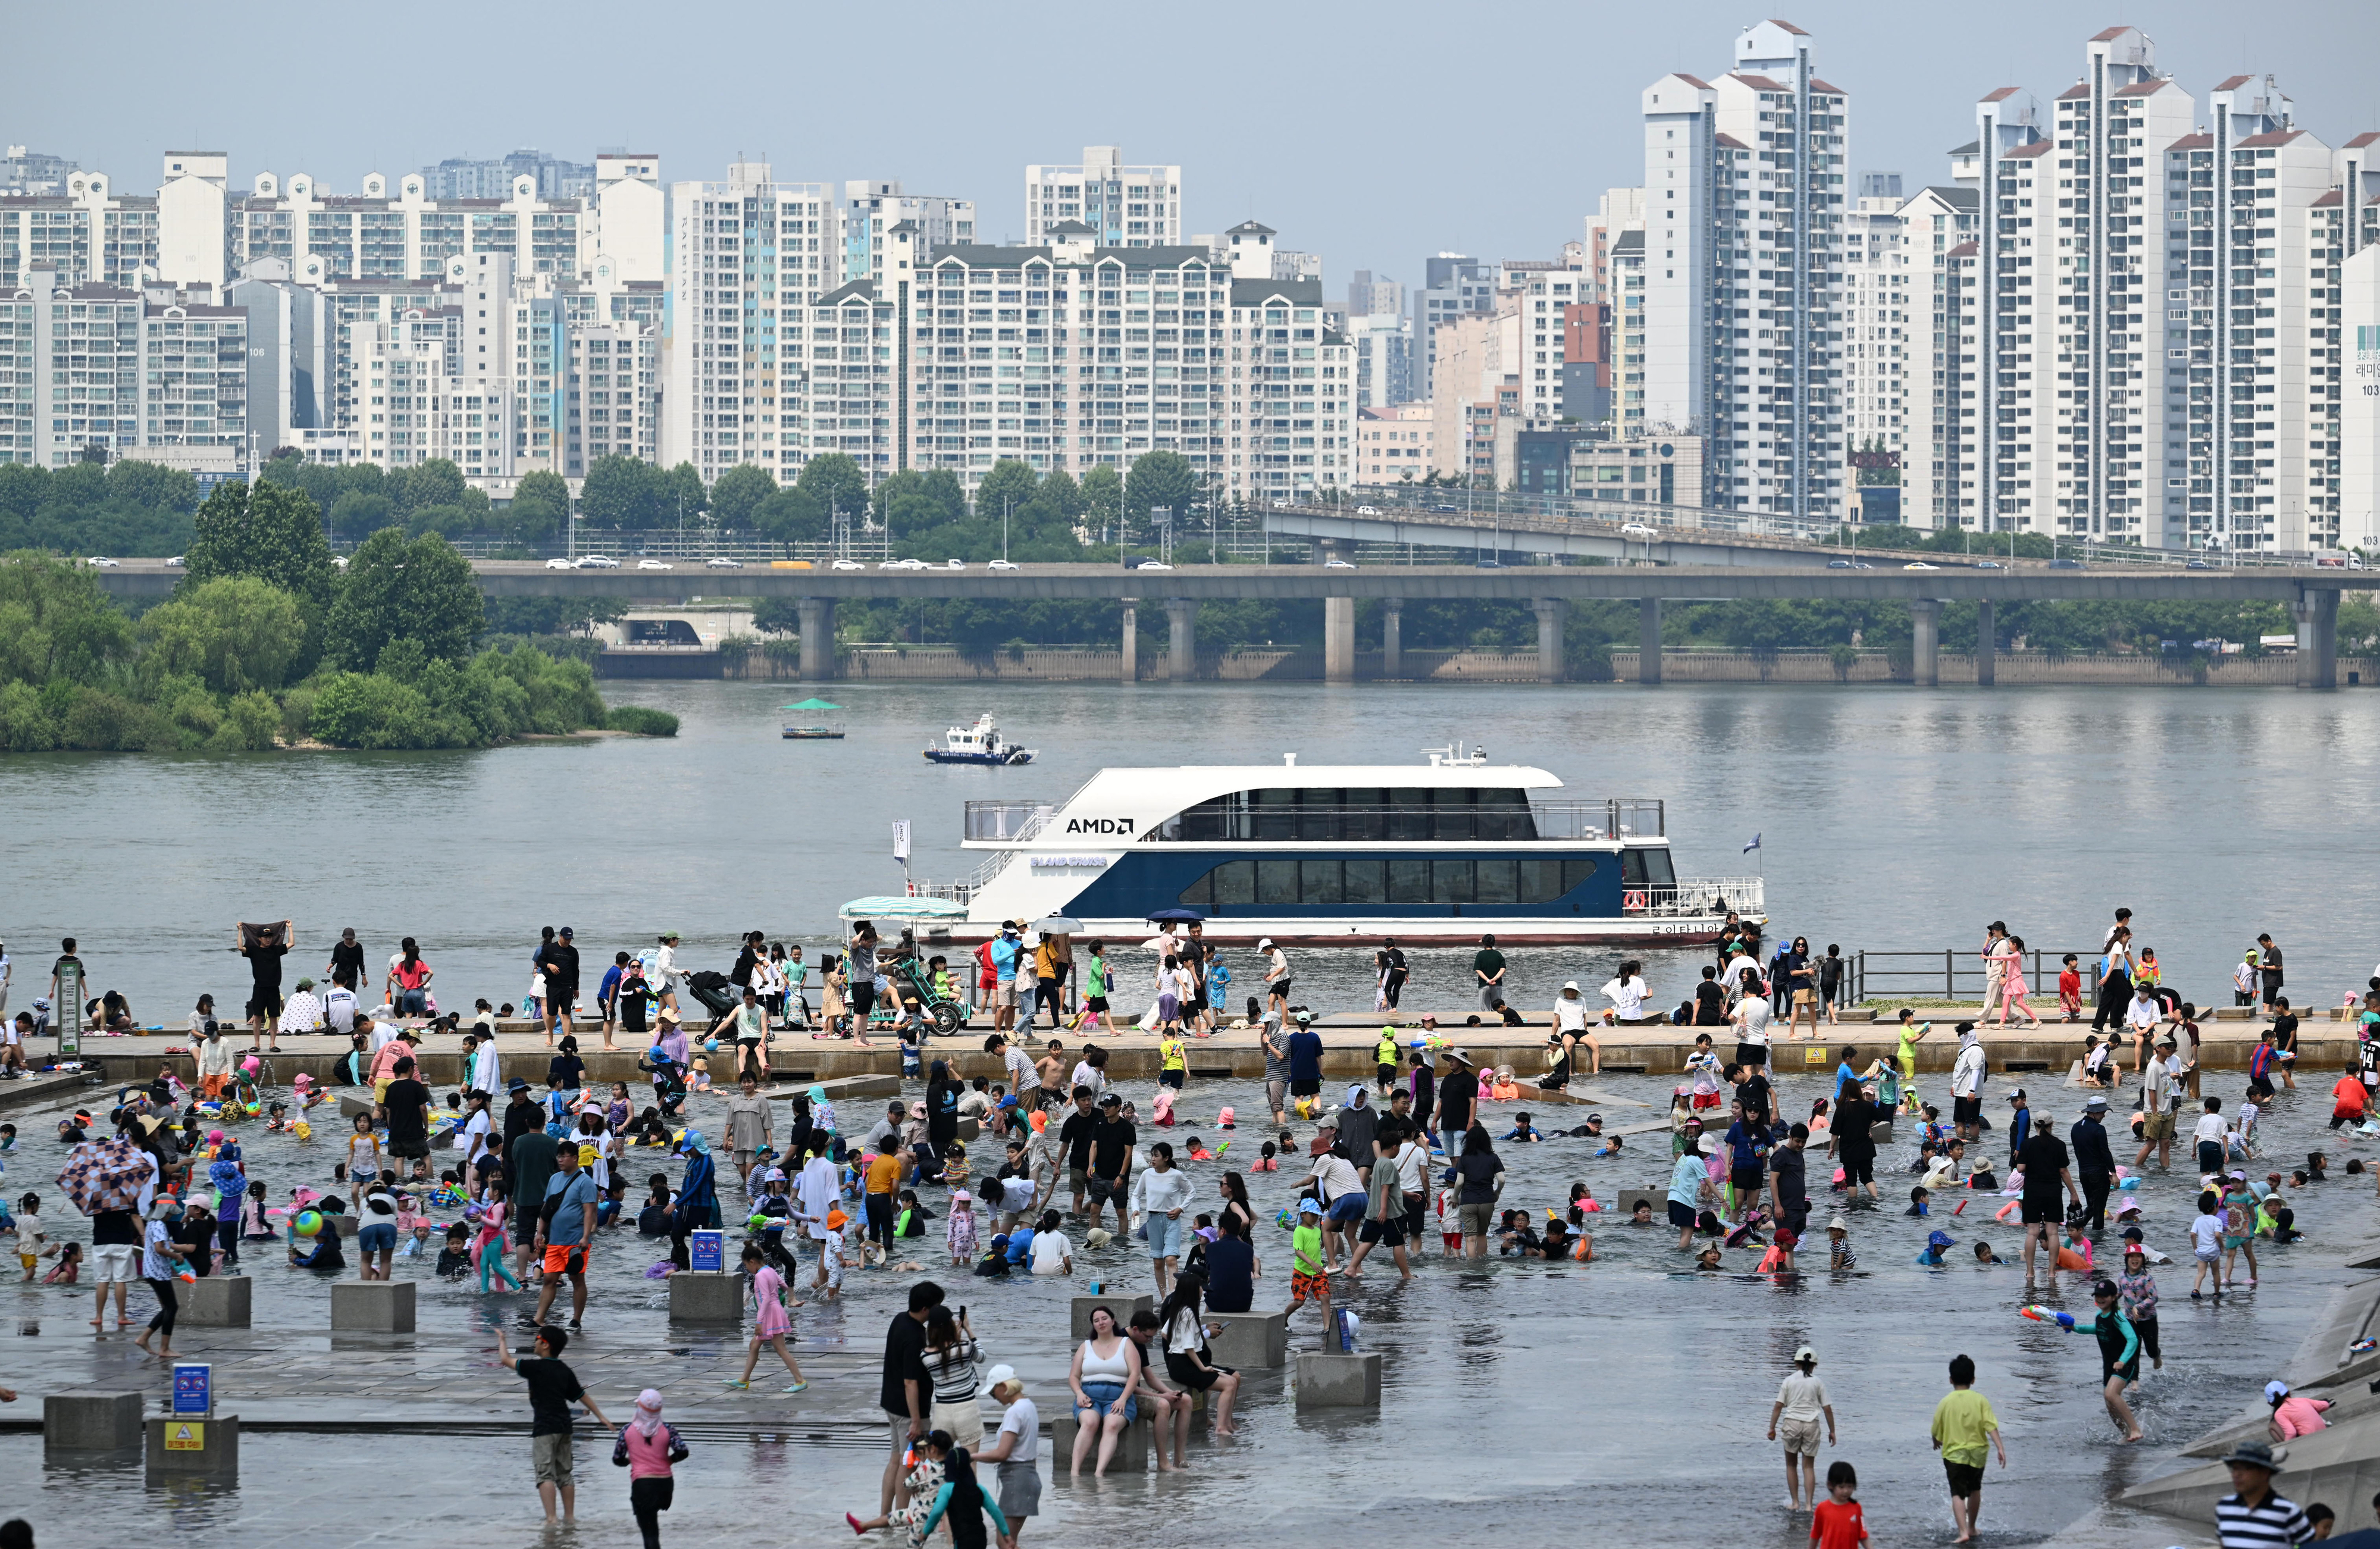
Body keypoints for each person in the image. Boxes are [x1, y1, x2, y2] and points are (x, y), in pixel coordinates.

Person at [496, 1325, 613, 1524]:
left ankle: (551, 1519)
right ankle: (570, 1517)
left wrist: (502, 1341)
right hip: (565, 1427)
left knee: (545, 1474)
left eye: (537, 1338)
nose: (534, 1342)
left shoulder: (534, 1367)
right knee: (565, 1474)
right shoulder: (564, 1370)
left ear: (545, 1344)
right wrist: (600, 1415)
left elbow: (505, 1360)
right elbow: (581, 1395)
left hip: (544, 1428)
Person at [2055, 1279, 2145, 1442]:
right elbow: (2095, 1329)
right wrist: (2074, 1328)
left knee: (2112, 1394)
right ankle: (2126, 1433)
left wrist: (2123, 1361)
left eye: (2104, 1296)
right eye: (2097, 1296)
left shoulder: (2118, 1317)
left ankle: (2135, 1429)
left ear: (2113, 1297)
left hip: (2125, 1363)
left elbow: (2133, 1340)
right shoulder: (2100, 1316)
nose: (2100, 1299)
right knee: (2109, 1403)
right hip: (2109, 1364)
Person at [879, 1281, 941, 1514]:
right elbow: (910, 1382)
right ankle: (900, 1516)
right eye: (937, 1306)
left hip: (890, 1403)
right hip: (907, 1412)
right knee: (909, 1465)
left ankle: (886, 1515)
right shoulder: (916, 1336)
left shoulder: (899, 1319)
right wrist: (916, 1420)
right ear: (926, 1309)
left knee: (896, 1461)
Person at [1931, 1353, 2006, 1545]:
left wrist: (1936, 1441)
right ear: (1973, 1379)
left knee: (1957, 1493)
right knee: (1975, 1489)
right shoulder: (1980, 1400)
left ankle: (1962, 1531)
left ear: (1950, 1380)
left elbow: (1936, 1428)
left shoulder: (1945, 1402)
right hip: (1978, 1452)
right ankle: (1972, 1527)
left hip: (1954, 1455)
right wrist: (2000, 1448)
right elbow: (1991, 1426)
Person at [1067, 1303, 1143, 1478]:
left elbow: (1135, 1375)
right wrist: (1079, 1393)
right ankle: (1074, 1472)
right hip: (1089, 1395)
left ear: (1112, 1321)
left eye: (1104, 1319)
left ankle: (1099, 1473)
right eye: (1096, 1320)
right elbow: (1073, 1376)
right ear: (1093, 1325)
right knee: (1089, 1422)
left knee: (1112, 1424)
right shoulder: (1086, 1346)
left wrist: (1124, 1398)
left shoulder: (1126, 1343)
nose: (1101, 1323)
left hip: (1119, 1395)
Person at [533, 1144, 599, 1329]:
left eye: (565, 1156)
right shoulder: (554, 1179)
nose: (560, 1160)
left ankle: (576, 1320)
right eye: (559, 1156)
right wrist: (539, 1233)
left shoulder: (585, 1182)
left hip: (575, 1241)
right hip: (555, 1239)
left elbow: (589, 1212)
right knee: (549, 1279)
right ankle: (539, 1318)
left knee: (576, 1279)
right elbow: (547, 1209)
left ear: (575, 1158)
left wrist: (586, 1237)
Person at [613, 1388, 688, 1549]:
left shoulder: (627, 1431)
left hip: (643, 1485)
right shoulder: (668, 1429)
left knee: (650, 1534)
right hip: (666, 1486)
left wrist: (629, 1461)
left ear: (639, 1408)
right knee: (653, 1530)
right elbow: (683, 1452)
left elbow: (617, 1459)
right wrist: (670, 1460)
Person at [974, 1365, 1041, 1545]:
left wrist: (972, 1456)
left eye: (993, 1392)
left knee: (1003, 1542)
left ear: (1004, 1386)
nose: (994, 1397)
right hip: (1029, 1479)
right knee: (1010, 1542)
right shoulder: (1029, 1406)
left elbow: (1002, 1454)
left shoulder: (1014, 1412)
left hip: (1017, 1481)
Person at [2016, 1105, 2080, 1288]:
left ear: (2035, 1125)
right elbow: (2064, 1171)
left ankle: (2030, 1272)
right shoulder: (2059, 1144)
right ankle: (2052, 1272)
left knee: (2032, 1232)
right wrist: (2073, 1193)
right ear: (2052, 1125)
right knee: (2052, 1233)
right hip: (2053, 1191)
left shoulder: (2027, 1144)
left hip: (2033, 1191)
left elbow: (2020, 1169)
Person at [1767, 1345, 1837, 1512]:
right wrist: (1832, 1431)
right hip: (1811, 1425)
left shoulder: (1789, 1381)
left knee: (1791, 1465)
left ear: (1796, 1363)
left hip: (1792, 1423)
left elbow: (1778, 1406)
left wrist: (1772, 1428)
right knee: (1808, 1467)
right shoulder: (1818, 1382)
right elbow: (1827, 1409)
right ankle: (1808, 1506)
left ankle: (1795, 1503)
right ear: (1814, 1365)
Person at [2214, 1440, 2313, 1549]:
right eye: (2235, 1468)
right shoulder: (2224, 1507)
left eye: (2245, 1468)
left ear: (2265, 1473)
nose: (2236, 1474)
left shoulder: (2288, 1512)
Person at [1811, 1460, 1870, 1549]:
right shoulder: (1822, 1508)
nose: (1846, 1491)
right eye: (1841, 1487)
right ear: (1830, 1485)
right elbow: (1815, 1535)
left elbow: (1863, 1535)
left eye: (1850, 1486)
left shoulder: (1856, 1508)